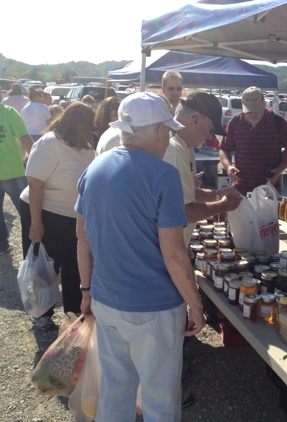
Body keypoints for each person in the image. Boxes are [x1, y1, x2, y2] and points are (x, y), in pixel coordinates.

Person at [75, 92, 205, 421]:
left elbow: (83, 236)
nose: (169, 138)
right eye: (168, 131)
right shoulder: (163, 175)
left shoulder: (93, 169)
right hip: (153, 306)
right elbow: (174, 253)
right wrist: (196, 304)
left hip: (107, 300)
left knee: (116, 389)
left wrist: (86, 289)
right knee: (159, 396)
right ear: (159, 131)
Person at [19, 102, 96, 330]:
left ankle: (73, 311)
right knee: (47, 265)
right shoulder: (50, 143)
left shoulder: (86, 147)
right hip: (44, 211)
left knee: (74, 264)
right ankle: (42, 312)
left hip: (73, 215)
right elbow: (35, 184)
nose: (91, 129)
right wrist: (36, 223)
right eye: (88, 124)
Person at [164, 91, 242, 244]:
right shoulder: (174, 149)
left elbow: (188, 195)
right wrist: (224, 204)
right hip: (165, 254)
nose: (211, 137)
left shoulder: (185, 146)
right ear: (196, 120)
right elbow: (185, 212)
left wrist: (220, 194)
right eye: (211, 130)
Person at [220, 86, 287, 194]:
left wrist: (280, 169)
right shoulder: (235, 122)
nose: (253, 114)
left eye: (256, 110)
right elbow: (224, 149)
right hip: (241, 187)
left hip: (269, 188)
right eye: (249, 110)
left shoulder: (277, 121)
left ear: (263, 103)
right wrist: (228, 167)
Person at [0, 92, 34, 255]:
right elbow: (26, 139)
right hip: (11, 169)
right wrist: (36, 164)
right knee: (27, 210)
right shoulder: (9, 112)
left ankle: (1, 244)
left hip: (11, 170)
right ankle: (36, 245)